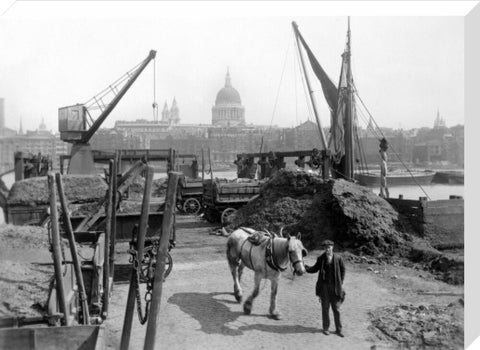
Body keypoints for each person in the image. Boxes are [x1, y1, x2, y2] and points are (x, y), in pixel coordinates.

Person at [306, 239, 346, 337]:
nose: (327, 249)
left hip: (335, 287)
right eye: (325, 248)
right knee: (325, 308)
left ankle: (339, 330)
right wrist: (305, 267)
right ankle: (326, 328)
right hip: (324, 287)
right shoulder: (321, 258)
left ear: (332, 247)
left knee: (336, 308)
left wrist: (341, 282)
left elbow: (343, 270)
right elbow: (314, 269)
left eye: (329, 247)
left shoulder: (338, 258)